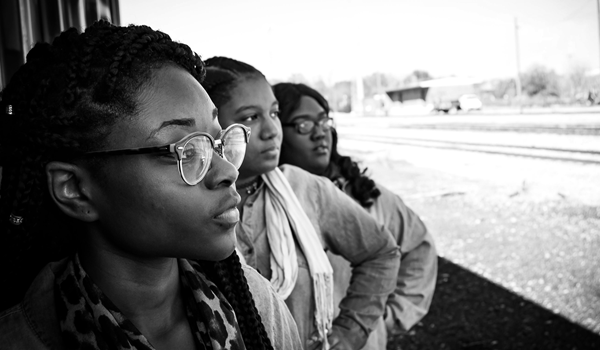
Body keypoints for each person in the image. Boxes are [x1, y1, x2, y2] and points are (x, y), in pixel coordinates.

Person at [0, 21, 302, 349]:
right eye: (185, 150)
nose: (227, 171)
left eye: (216, 141)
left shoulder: (256, 305)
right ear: (74, 188)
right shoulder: (19, 338)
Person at [201, 57, 400, 350]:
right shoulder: (189, 204)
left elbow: (381, 252)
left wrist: (349, 333)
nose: (272, 130)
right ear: (213, 126)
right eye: (250, 117)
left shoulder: (306, 189)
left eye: (274, 113)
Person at [273, 82, 438, 349]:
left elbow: (419, 248)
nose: (320, 134)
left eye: (324, 121)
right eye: (303, 125)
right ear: (275, 131)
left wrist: (385, 318)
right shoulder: (262, 205)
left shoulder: (367, 196)